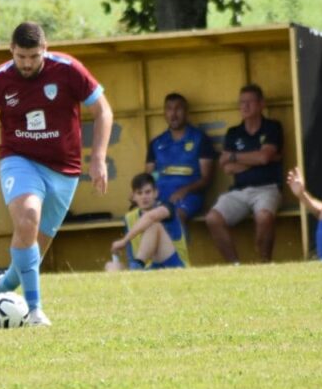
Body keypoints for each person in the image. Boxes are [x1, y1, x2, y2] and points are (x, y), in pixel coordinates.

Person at [0, 21, 114, 327]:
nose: (27, 64)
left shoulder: (68, 69)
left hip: (65, 171)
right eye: (21, 57)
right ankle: (35, 311)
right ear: (11, 51)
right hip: (19, 161)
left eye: (34, 57)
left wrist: (98, 158)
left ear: (45, 49)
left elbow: (103, 111)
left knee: (33, 248)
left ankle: (5, 287)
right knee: (27, 218)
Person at [205, 84, 283, 264]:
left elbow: (263, 157)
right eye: (241, 103)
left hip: (267, 188)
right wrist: (259, 159)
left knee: (264, 216)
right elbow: (228, 168)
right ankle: (235, 266)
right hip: (239, 191)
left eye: (249, 102)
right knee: (212, 218)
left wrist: (236, 157)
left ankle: (264, 263)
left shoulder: (272, 127)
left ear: (261, 104)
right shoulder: (233, 133)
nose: (244, 107)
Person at [144, 92, 216, 225]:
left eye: (178, 108)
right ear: (164, 113)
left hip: (188, 196)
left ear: (186, 112)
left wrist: (185, 190)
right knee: (138, 218)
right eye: (169, 108)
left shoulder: (200, 139)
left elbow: (206, 179)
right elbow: (149, 177)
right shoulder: (156, 143)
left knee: (176, 217)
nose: (173, 113)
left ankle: (175, 246)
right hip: (159, 196)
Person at [108, 173, 188, 270]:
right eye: (139, 193)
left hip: (175, 265)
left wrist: (124, 241)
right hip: (149, 267)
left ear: (156, 193)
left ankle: (137, 269)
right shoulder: (129, 217)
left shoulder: (167, 207)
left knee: (153, 225)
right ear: (133, 196)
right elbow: (131, 254)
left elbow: (151, 217)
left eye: (148, 192)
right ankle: (136, 272)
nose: (144, 197)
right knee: (111, 266)